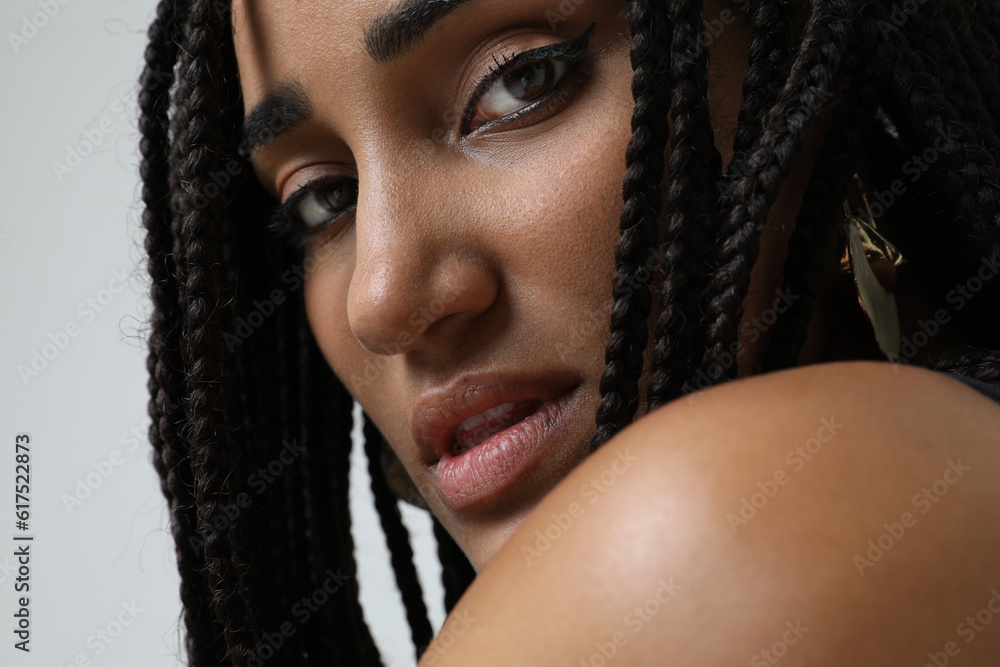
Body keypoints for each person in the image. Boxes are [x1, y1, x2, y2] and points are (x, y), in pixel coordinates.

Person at [138, 0, 1000, 664]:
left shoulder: (709, 520)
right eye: (323, 198)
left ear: (824, 66)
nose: (382, 297)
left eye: (521, 82)